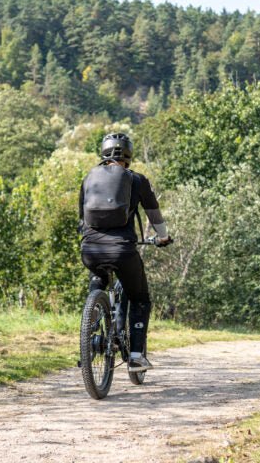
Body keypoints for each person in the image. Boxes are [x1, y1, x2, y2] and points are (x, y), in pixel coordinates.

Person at [78, 133, 171, 372]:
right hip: (122, 250)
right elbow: (153, 213)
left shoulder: (89, 179)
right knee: (140, 298)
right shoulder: (136, 180)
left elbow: (81, 218)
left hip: (90, 249)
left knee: (98, 279)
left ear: (103, 152)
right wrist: (163, 237)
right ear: (128, 155)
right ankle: (137, 357)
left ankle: (89, 335)